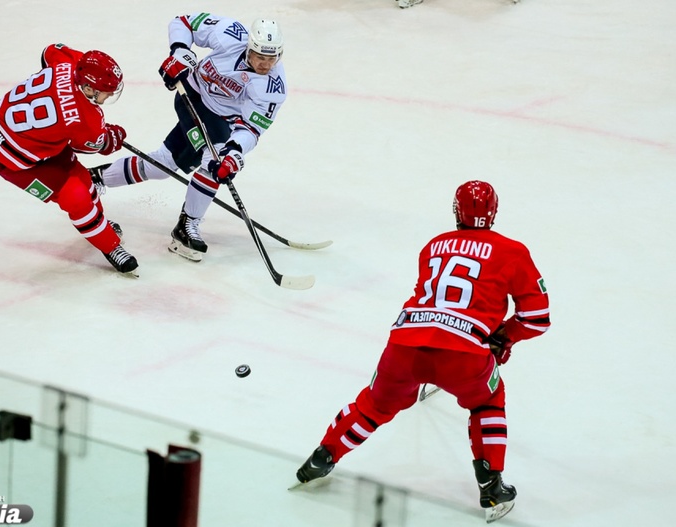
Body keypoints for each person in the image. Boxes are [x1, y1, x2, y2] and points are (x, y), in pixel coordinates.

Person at [295, 181, 550, 523]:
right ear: (494, 212)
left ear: (456, 211)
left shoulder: (433, 246)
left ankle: (322, 457)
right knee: (487, 400)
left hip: (405, 345)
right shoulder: (513, 252)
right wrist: (505, 336)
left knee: (374, 404)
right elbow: (537, 318)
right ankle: (491, 486)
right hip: (464, 356)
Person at [90, 13, 287, 262]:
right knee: (213, 159)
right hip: (191, 96)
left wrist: (235, 151)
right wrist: (180, 52)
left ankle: (96, 178)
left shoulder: (274, 88)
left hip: (220, 120)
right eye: (260, 57)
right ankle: (186, 226)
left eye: (272, 58)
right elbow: (183, 22)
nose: (266, 65)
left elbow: (251, 128)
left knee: (164, 165)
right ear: (249, 47)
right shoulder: (230, 33)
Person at [0, 43, 137, 274]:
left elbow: (50, 51)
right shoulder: (85, 120)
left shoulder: (70, 63)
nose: (111, 94)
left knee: (84, 179)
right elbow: (99, 143)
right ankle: (110, 246)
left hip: (18, 130)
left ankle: (99, 224)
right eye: (106, 91)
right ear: (88, 88)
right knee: (76, 197)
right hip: (12, 159)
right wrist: (112, 137)